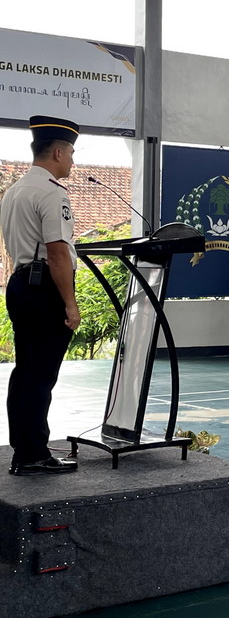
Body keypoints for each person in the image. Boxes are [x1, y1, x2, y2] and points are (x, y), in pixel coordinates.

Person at [1, 115, 81, 476]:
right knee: (40, 375)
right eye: (71, 154)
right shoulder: (51, 192)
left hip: (20, 284)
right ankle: (33, 454)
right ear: (58, 152)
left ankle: (25, 449)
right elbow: (58, 253)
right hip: (44, 289)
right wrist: (70, 304)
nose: (73, 162)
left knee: (26, 372)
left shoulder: (15, 190)